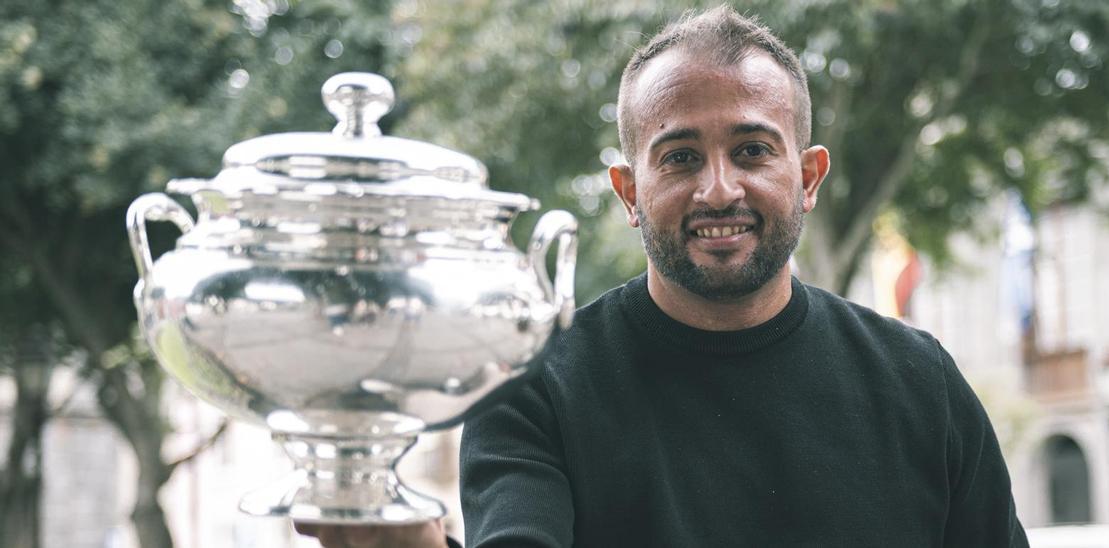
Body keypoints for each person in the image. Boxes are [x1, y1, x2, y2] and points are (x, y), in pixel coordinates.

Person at [300, 6, 1028, 547]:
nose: (718, 190)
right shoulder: (534, 386)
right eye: (679, 157)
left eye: (752, 151)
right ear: (627, 191)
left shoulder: (918, 381)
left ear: (807, 176)